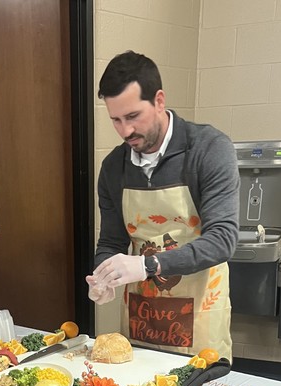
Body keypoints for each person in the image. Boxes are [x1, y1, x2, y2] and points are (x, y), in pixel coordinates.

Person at [87, 51, 240, 361]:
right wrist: (103, 276)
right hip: (142, 317)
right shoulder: (114, 167)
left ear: (158, 101)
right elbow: (112, 241)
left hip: (200, 314)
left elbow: (222, 239)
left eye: (132, 117)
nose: (125, 131)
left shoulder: (208, 149)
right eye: (115, 120)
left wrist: (146, 265)